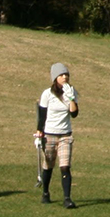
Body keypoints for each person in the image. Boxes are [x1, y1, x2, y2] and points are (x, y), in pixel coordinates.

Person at [34, 62, 80, 208]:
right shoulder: (47, 94)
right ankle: (46, 192)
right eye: (61, 75)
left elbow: (74, 114)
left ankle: (67, 198)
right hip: (49, 135)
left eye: (66, 74)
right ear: (55, 78)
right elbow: (42, 116)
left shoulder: (71, 92)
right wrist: (39, 133)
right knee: (48, 166)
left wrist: (71, 99)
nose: (65, 77)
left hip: (65, 135)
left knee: (65, 166)